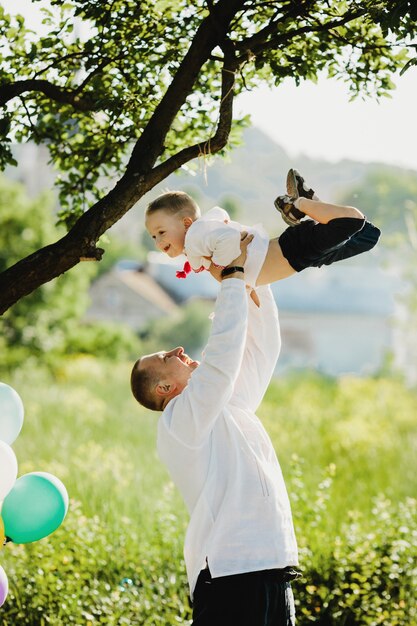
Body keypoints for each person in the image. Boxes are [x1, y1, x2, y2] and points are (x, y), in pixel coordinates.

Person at [131, 234, 301, 625]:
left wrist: (254, 274)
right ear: (163, 389)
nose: (176, 350)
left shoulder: (224, 405)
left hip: (271, 565)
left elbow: (262, 350)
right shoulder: (179, 421)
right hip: (230, 575)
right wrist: (231, 278)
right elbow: (223, 356)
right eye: (164, 357)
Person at [145, 169, 380, 298]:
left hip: (294, 251)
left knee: (353, 220)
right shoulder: (202, 239)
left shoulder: (196, 236)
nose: (158, 241)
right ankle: (310, 203)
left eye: (161, 232)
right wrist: (245, 288)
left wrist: (224, 272)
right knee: (368, 236)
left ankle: (299, 205)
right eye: (154, 236)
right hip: (299, 257)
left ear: (186, 223)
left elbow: (230, 242)